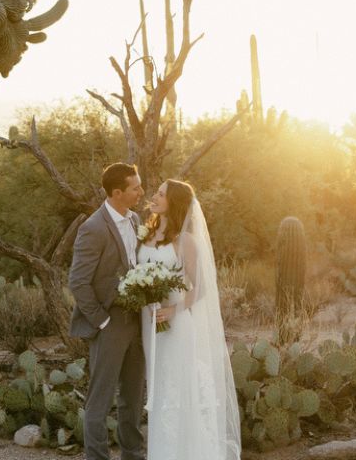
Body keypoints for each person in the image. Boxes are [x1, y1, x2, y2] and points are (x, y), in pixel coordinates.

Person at [139, 179, 241, 460]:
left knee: (177, 390)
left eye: (161, 194)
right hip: (149, 325)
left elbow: (201, 287)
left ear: (175, 202)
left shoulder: (186, 242)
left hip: (176, 326)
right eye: (157, 192)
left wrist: (174, 309)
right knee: (159, 392)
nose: (155, 196)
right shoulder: (145, 233)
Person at [68, 162, 147, 460]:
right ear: (117, 192)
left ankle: (132, 455)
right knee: (99, 401)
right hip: (109, 323)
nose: (141, 192)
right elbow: (78, 281)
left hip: (137, 321)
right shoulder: (93, 228)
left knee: (133, 397)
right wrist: (101, 320)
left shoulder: (136, 219)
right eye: (135, 188)